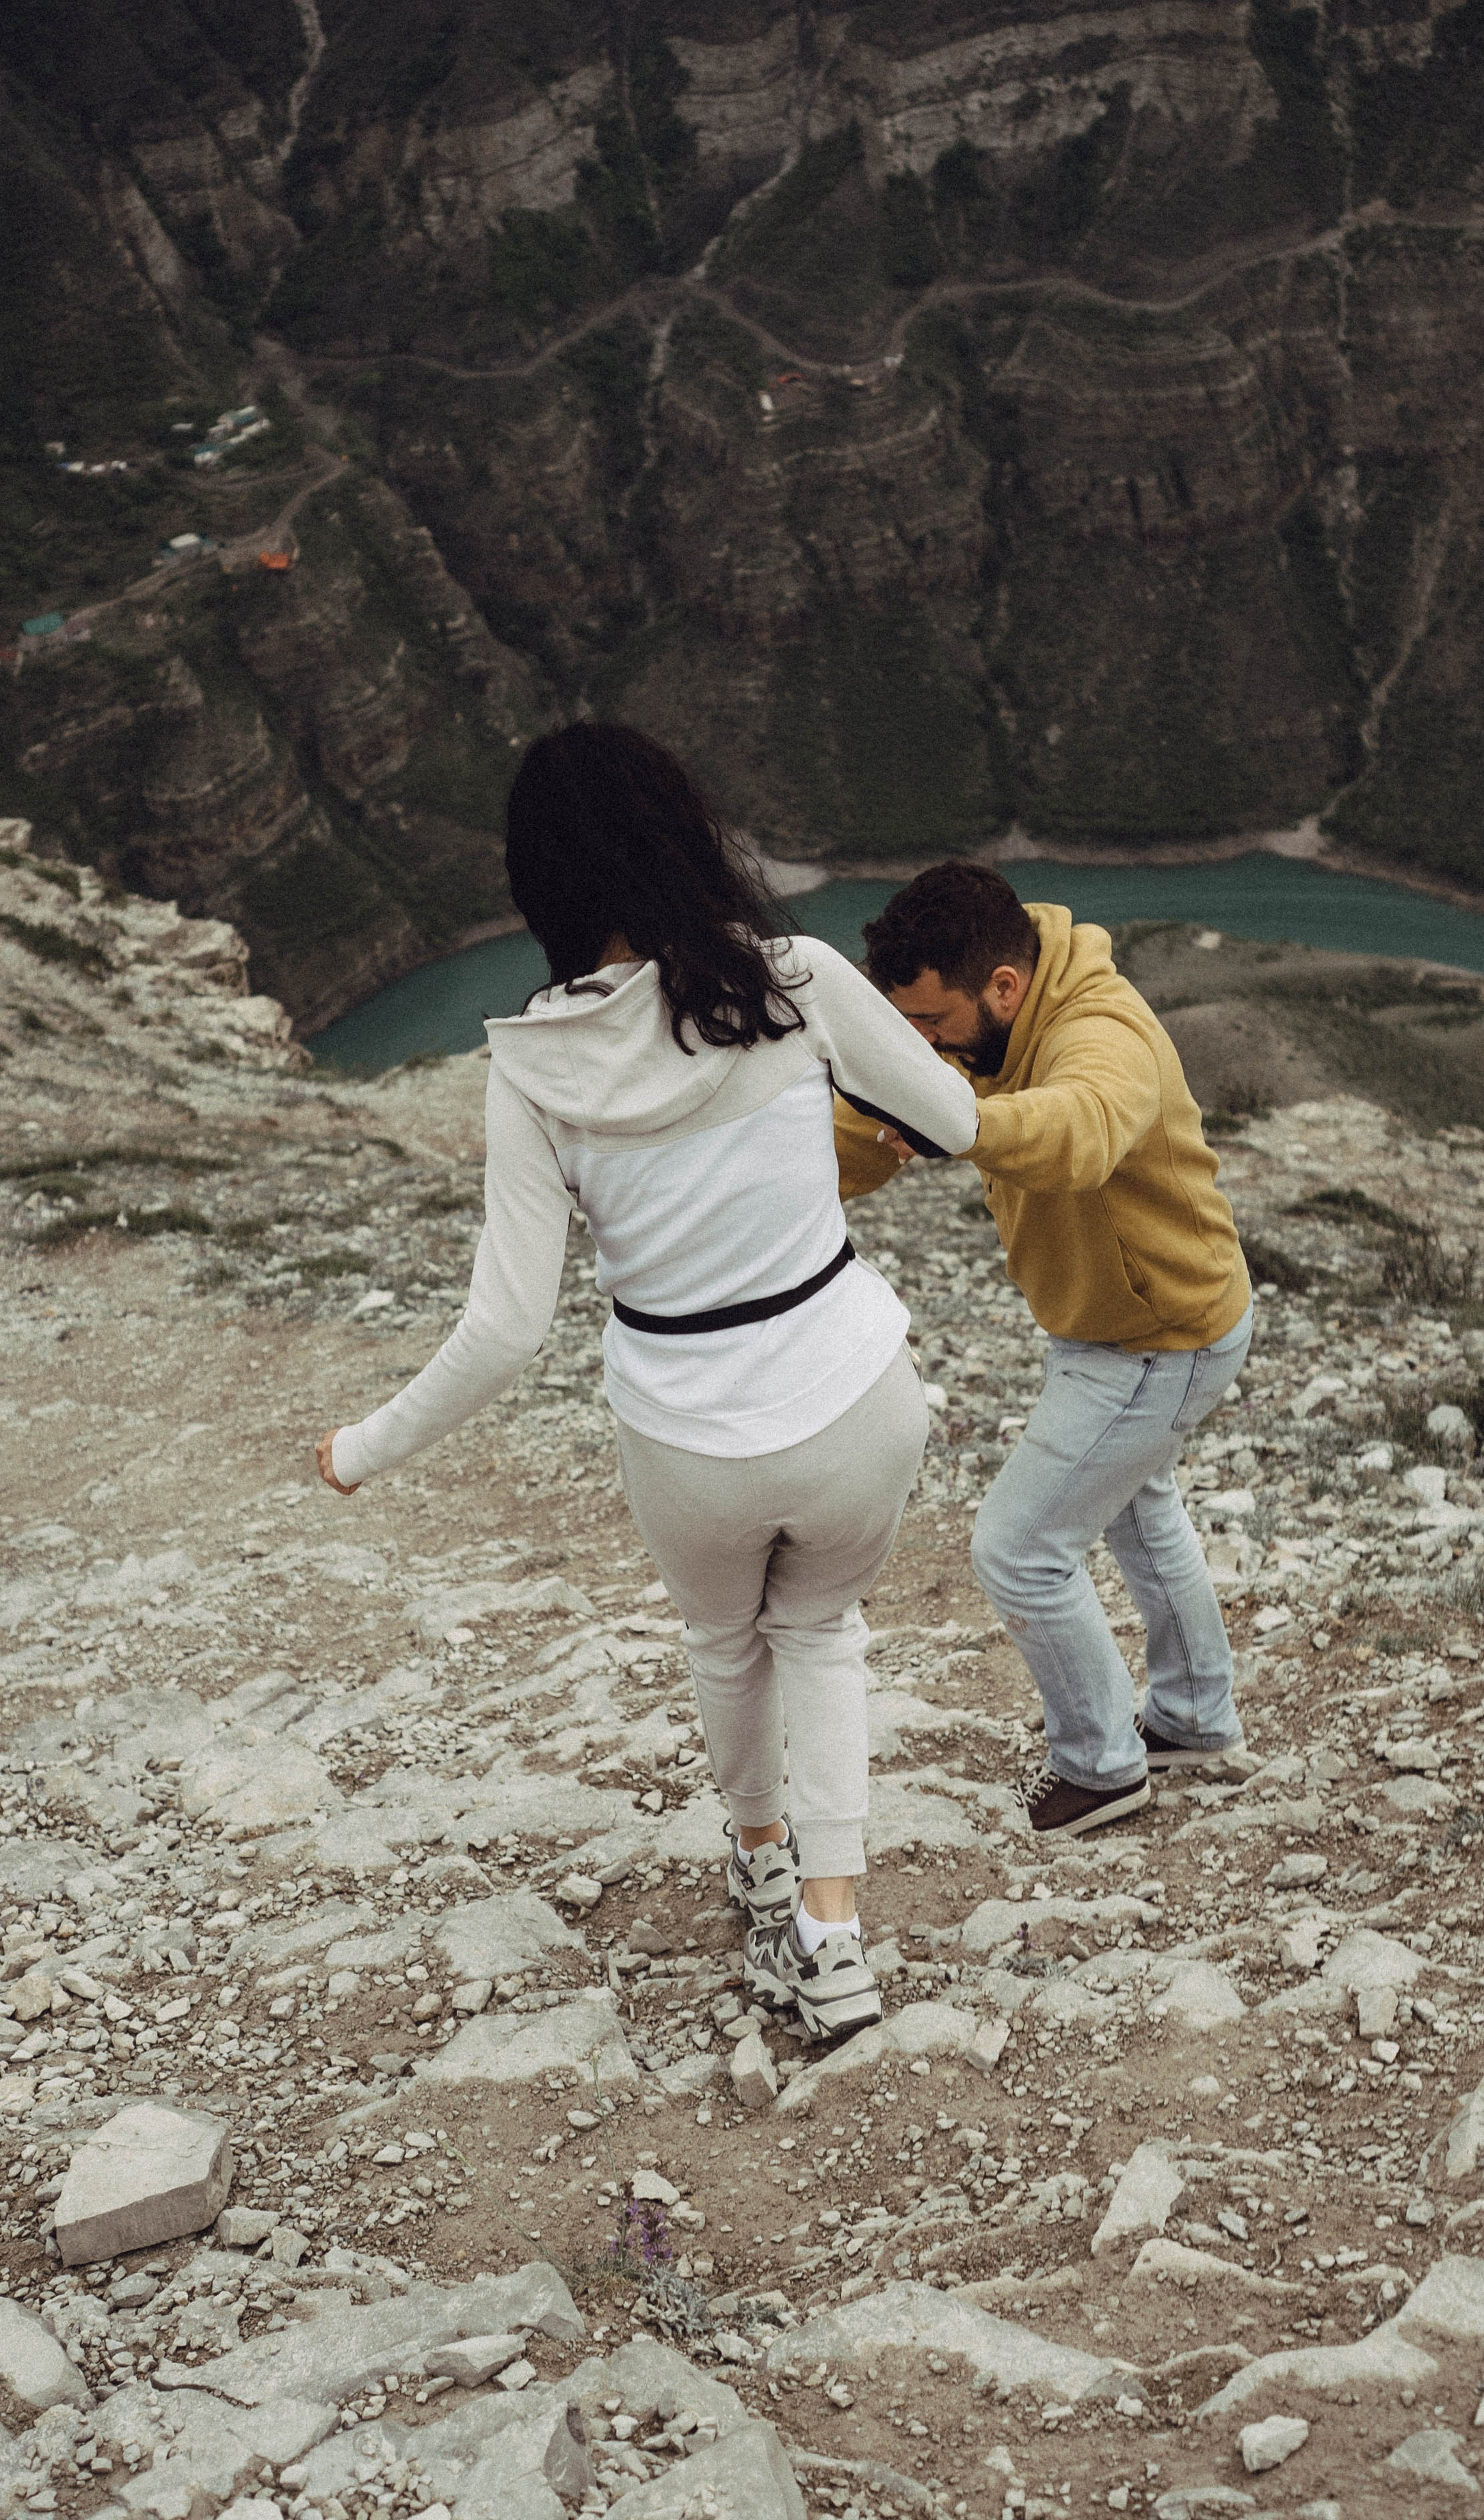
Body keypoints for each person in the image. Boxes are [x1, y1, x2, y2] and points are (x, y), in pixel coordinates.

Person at [315, 726, 978, 2039]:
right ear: (690, 838)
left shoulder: (530, 1065)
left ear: (544, 883)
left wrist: (366, 1447)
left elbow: (506, 1329)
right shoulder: (797, 981)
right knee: (826, 1636)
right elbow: (956, 1125)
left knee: (727, 1646)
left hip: (686, 1433)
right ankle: (835, 1944)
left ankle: (762, 1860)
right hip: (855, 1395)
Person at [834, 861, 1252, 1838]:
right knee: (1140, 1518)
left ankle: (1102, 1770)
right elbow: (871, 1124)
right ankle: (1192, 1719)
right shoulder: (970, 1031)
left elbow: (1084, 1130)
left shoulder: (1100, 1029)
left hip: (1157, 1337)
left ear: (1004, 989)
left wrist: (958, 1124)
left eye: (932, 1025)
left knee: (1019, 1550)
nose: (920, 1044)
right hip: (1129, 1327)